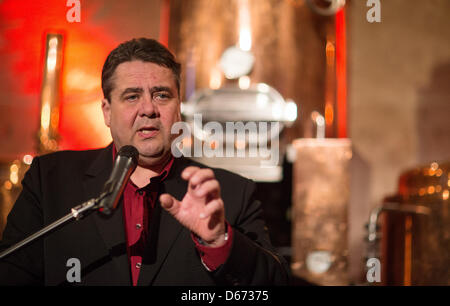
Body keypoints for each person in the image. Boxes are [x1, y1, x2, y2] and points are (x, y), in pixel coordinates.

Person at [0, 38, 290, 286]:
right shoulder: (50, 178)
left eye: (162, 95)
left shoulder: (230, 191)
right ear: (107, 111)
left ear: (179, 110)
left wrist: (219, 242)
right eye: (132, 96)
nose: (148, 109)